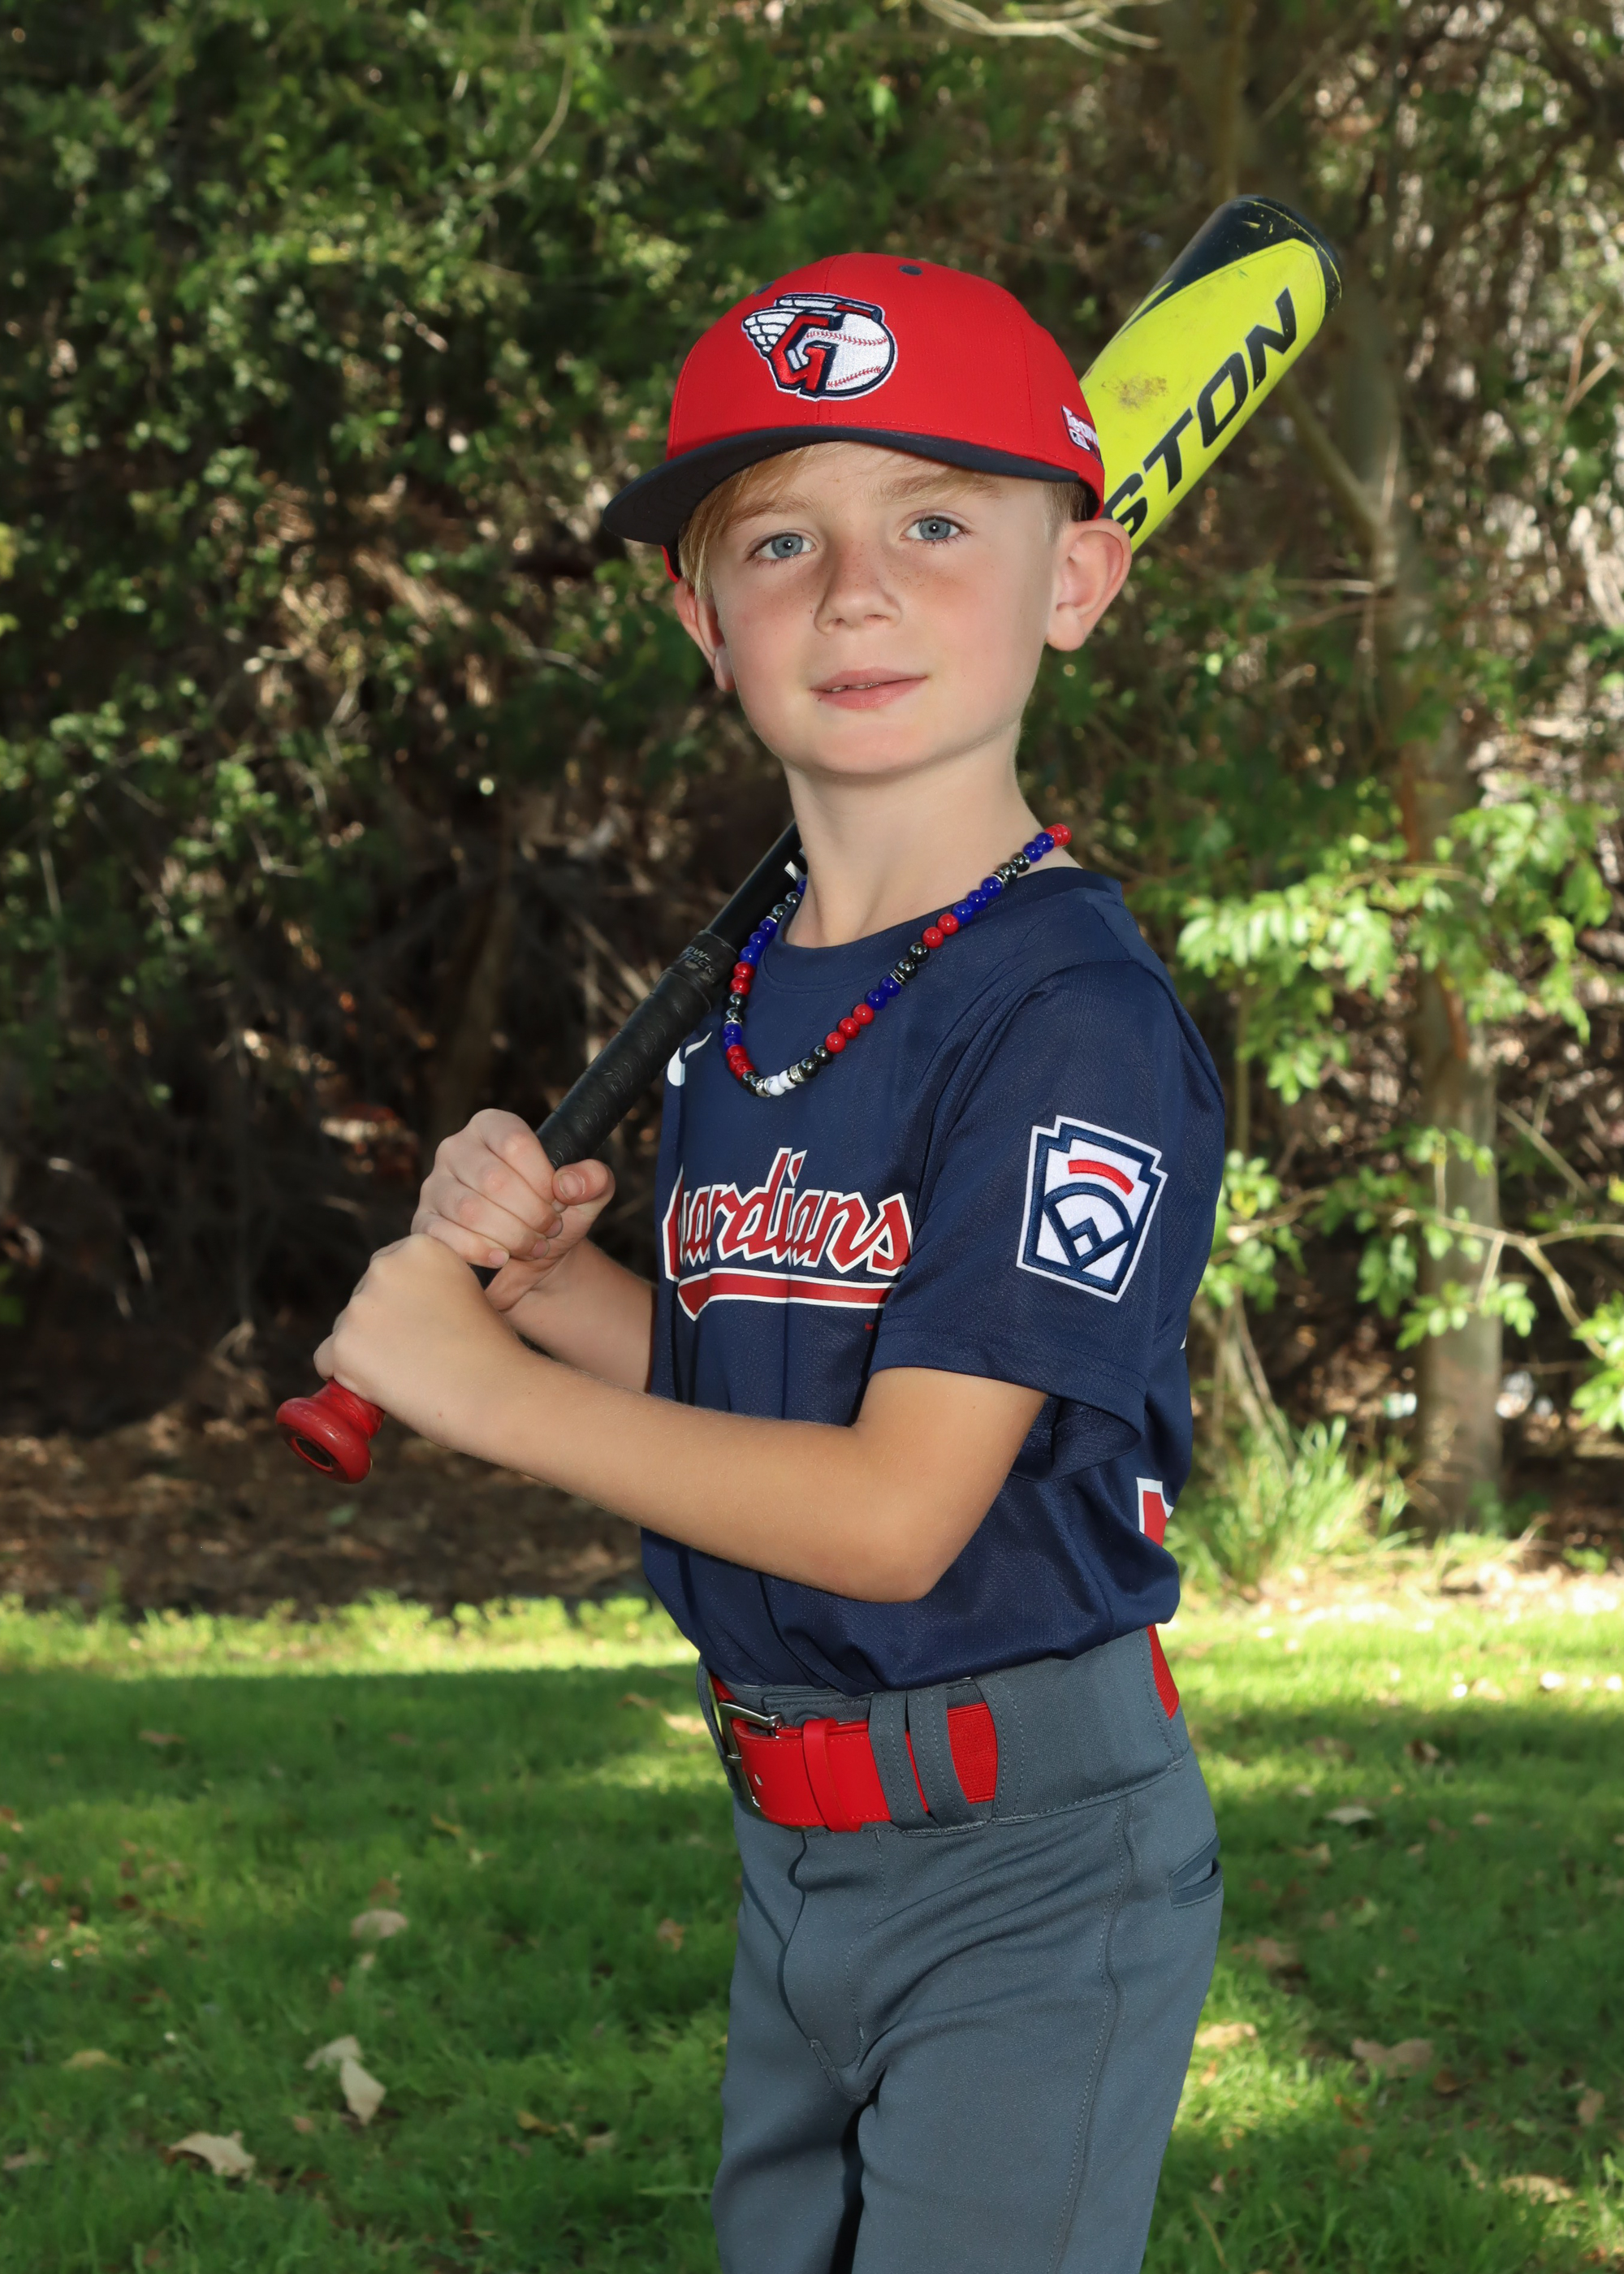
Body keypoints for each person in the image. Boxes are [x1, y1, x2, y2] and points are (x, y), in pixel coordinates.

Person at [315, 254, 1227, 2274]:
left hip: (1026, 1862)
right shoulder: (758, 999)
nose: (855, 591)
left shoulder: (1067, 1016)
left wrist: (483, 1391)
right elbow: (765, 1381)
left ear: (1076, 580)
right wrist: (545, 1294)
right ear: (699, 615)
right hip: (798, 1834)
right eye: (779, 540)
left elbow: (895, 1512)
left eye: (937, 522)